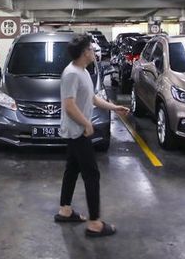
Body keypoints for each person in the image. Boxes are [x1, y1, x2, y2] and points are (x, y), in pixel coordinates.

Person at [55, 34, 129, 237]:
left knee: (72, 169)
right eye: (91, 49)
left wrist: (115, 107)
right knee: (92, 175)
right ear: (84, 53)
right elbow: (69, 106)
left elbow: (93, 98)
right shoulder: (71, 74)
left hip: (78, 130)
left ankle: (65, 210)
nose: (94, 52)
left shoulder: (83, 71)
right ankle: (94, 223)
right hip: (77, 131)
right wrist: (86, 123)